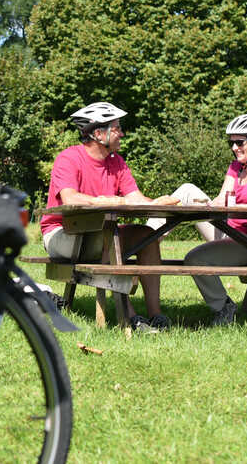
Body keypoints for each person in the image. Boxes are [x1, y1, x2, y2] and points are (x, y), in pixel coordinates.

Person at [40, 102, 178, 332]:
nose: (122, 133)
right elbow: (70, 198)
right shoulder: (68, 158)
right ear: (98, 133)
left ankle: (156, 314)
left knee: (147, 235)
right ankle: (131, 318)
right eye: (117, 128)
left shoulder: (117, 162)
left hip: (101, 233)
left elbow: (134, 197)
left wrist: (155, 203)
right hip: (61, 234)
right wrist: (107, 201)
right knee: (110, 240)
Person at [146, 114, 247, 326]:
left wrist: (239, 208)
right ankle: (145, 245)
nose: (234, 148)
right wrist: (209, 205)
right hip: (227, 230)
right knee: (187, 189)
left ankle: (224, 307)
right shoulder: (236, 167)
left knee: (194, 259)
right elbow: (223, 198)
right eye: (232, 143)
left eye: (240, 142)